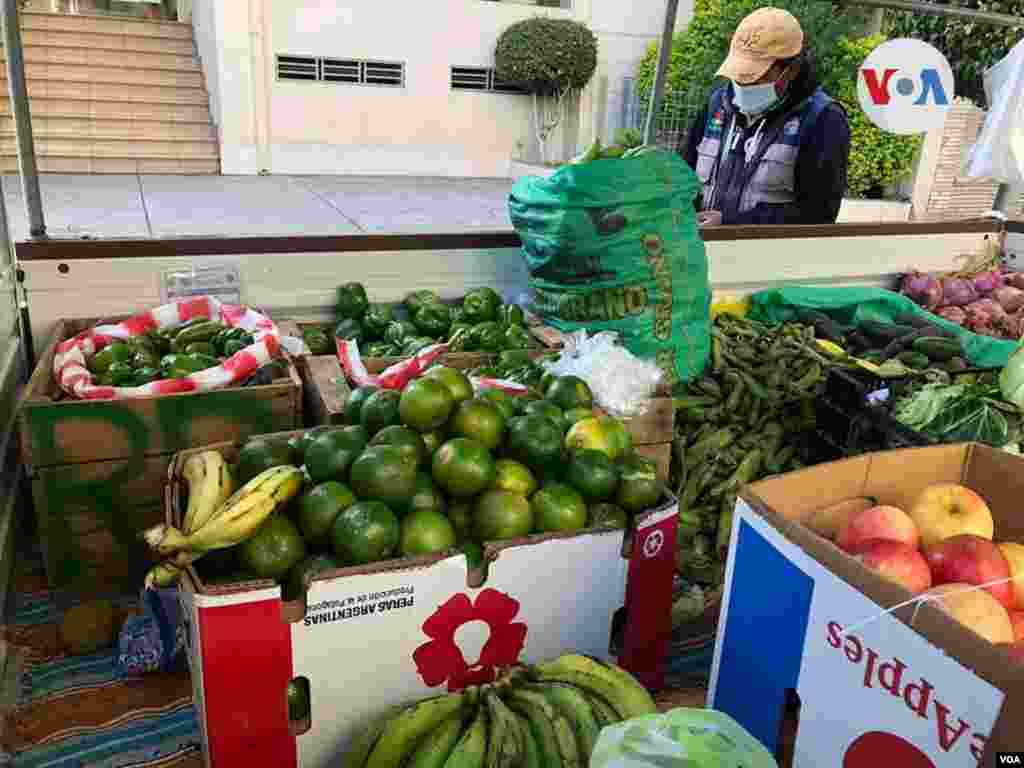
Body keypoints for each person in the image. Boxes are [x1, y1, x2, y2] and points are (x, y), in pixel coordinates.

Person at [682, 7, 851, 226]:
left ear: (790, 70)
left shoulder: (824, 119)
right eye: (738, 74)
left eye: (755, 76)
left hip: (770, 249)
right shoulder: (718, 104)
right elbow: (682, 179)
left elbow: (818, 214)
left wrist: (730, 223)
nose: (743, 85)